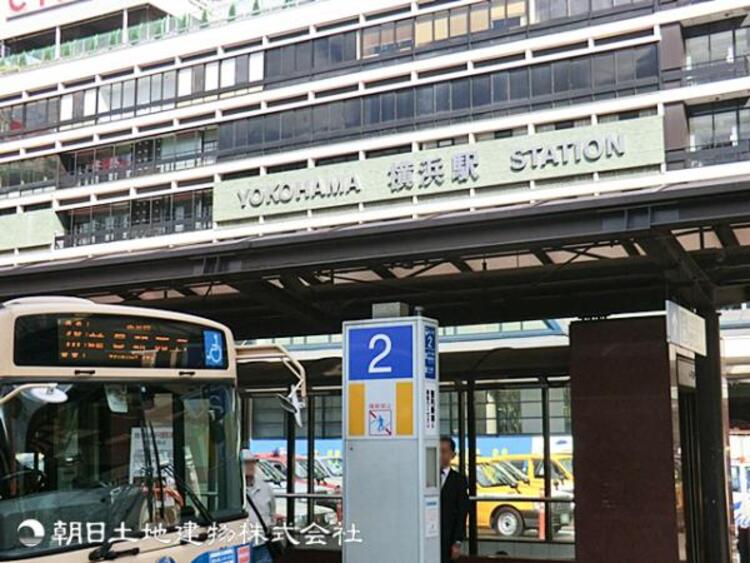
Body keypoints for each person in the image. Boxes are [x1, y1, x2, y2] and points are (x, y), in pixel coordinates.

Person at [243, 450, 276, 563]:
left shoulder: (266, 488)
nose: (250, 466)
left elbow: (272, 512)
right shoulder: (233, 490)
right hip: (242, 543)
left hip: (262, 543)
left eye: (253, 462)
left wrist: (270, 526)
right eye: (246, 463)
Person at [440, 436, 469, 563]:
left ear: (452, 455)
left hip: (448, 537)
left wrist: (457, 541)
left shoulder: (459, 480)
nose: (440, 455)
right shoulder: (426, 476)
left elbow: (462, 512)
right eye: (437, 451)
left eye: (444, 451)